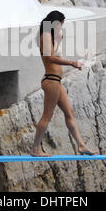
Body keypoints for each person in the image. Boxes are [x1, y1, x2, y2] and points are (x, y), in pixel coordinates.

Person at [30, 10, 98, 157]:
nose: (61, 28)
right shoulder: (45, 35)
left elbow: (53, 52)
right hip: (51, 80)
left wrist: (59, 40)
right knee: (47, 116)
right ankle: (35, 148)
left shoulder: (51, 37)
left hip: (56, 81)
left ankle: (81, 145)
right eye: (61, 25)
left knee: (69, 112)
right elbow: (50, 58)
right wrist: (72, 63)